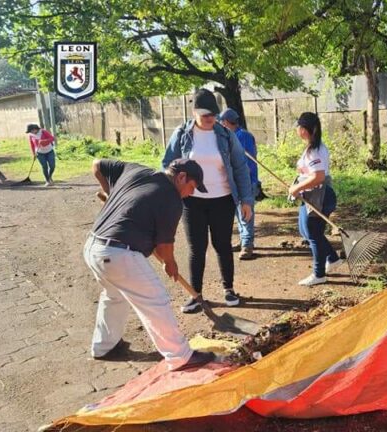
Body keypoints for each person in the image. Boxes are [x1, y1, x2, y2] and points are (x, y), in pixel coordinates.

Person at [85, 157, 216, 371]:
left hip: (94, 248)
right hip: (118, 254)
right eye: (191, 187)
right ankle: (180, 356)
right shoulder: (170, 198)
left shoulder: (137, 170)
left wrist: (110, 194)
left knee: (114, 295)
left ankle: (104, 347)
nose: (190, 194)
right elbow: (164, 247)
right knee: (156, 299)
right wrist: (170, 263)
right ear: (181, 177)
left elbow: (98, 164)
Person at [162, 89, 253, 313]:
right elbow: (167, 164)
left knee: (222, 245)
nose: (209, 118)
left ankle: (229, 289)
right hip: (192, 201)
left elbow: (240, 167)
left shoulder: (225, 134)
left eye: (213, 114)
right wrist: (170, 191)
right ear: (194, 113)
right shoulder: (182, 133)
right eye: (204, 115)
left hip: (223, 199)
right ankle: (196, 295)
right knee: (197, 248)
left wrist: (246, 200)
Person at [289, 112, 342, 286]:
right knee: (307, 232)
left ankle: (319, 274)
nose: (297, 130)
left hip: (320, 196)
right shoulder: (312, 147)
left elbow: (318, 177)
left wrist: (297, 187)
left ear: (303, 130)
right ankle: (332, 259)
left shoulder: (315, 150)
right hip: (311, 195)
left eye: (298, 126)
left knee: (313, 234)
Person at [218, 108, 260, 260]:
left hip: (246, 180)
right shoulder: (232, 135)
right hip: (235, 181)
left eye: (221, 122)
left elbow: (246, 163)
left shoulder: (243, 136)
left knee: (245, 212)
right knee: (238, 212)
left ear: (227, 122)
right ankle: (243, 239)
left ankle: (247, 245)